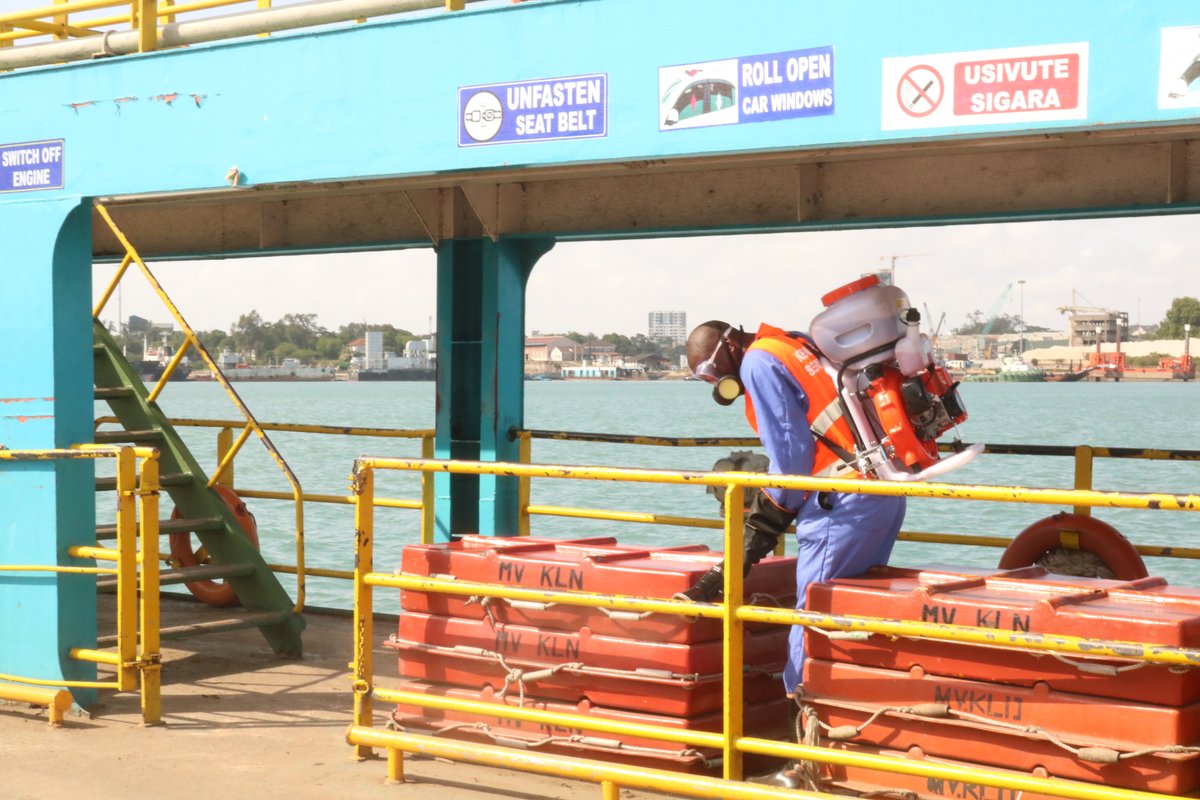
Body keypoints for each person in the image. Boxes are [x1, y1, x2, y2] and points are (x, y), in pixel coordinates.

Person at [682, 320, 906, 782]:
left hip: (839, 504)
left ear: (729, 347)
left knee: (809, 626)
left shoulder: (758, 362)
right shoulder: (791, 345)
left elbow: (791, 460)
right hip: (879, 493)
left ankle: (804, 766)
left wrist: (765, 519)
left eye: (710, 371)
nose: (715, 382)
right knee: (849, 621)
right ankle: (850, 754)